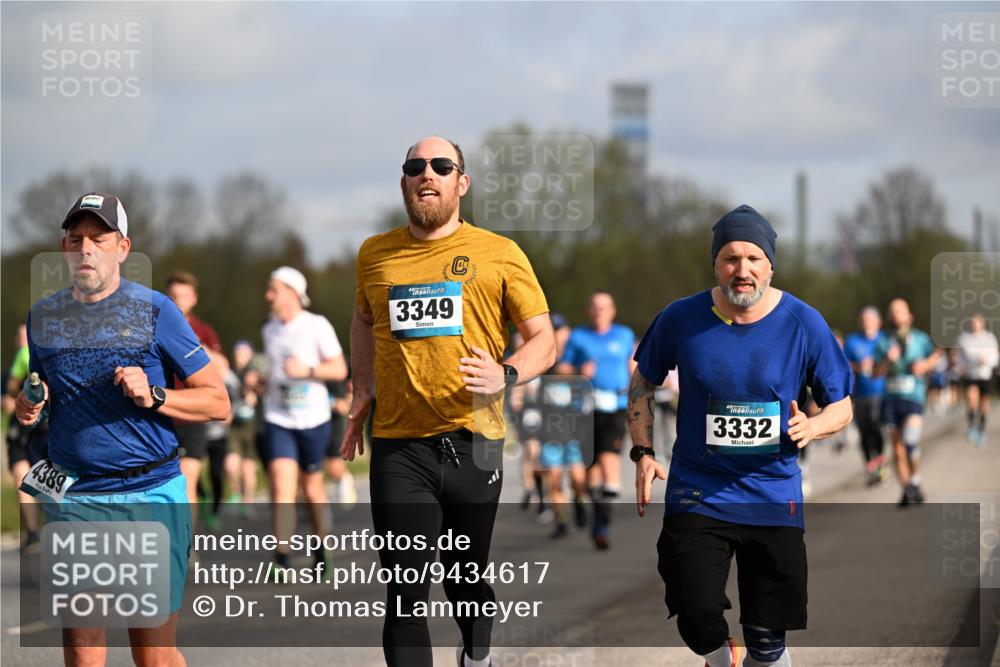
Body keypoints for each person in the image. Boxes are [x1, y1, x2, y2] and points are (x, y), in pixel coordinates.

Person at [342, 135, 555, 667]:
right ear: (404, 183)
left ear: (462, 183)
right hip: (399, 443)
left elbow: (544, 341)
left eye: (441, 166)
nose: (427, 174)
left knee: (466, 580)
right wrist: (361, 390)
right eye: (416, 166)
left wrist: (506, 372)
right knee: (405, 592)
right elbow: (364, 319)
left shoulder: (499, 253)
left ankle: (476, 656)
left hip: (476, 441)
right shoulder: (375, 254)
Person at [629, 205, 852, 667]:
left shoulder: (804, 323)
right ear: (716, 263)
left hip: (772, 492)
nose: (743, 270)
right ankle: (719, 656)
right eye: (731, 258)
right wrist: (644, 450)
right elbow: (641, 381)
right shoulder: (680, 318)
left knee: (767, 643)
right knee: (696, 616)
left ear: (771, 264)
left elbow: (843, 405)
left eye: (754, 258)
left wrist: (813, 425)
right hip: (698, 489)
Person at [15, 192, 229, 667]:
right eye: (76, 239)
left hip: (148, 493)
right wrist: (31, 406)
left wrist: (155, 395)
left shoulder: (156, 312)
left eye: (99, 238)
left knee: (153, 656)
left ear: (123, 248)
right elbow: (41, 393)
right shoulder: (43, 319)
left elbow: (219, 400)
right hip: (77, 499)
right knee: (84, 651)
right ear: (64, 248)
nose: (86, 248)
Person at [261, 265, 348, 573]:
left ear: (292, 293)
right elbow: (273, 374)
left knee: (312, 488)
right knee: (282, 485)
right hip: (278, 417)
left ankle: (322, 549)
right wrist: (259, 383)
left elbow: (339, 369)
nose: (267, 294)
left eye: (273, 289)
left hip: (313, 418)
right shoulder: (269, 329)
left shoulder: (316, 325)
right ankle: (282, 558)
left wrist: (307, 371)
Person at [556, 290, 635, 550]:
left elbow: (632, 366)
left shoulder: (623, 335)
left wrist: (640, 389)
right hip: (585, 407)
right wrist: (579, 371)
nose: (599, 311)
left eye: (604, 307)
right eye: (594, 307)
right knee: (589, 473)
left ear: (612, 311)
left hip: (615, 404)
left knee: (608, 454)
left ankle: (606, 508)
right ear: (589, 311)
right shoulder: (578, 336)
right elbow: (561, 369)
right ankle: (591, 504)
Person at [164, 270, 228, 529]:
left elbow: (223, 367)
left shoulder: (202, 330)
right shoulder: (152, 326)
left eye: (182, 296)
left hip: (192, 415)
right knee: (162, 488)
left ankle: (185, 546)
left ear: (193, 299)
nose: (177, 301)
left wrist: (198, 348)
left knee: (186, 482)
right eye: (172, 296)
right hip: (161, 415)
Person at [874, 298, 941, 506]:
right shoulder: (883, 341)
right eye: (892, 312)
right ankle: (907, 489)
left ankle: (915, 480)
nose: (896, 315)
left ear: (909, 316)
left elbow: (937, 355)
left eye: (900, 311)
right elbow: (876, 373)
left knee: (910, 441)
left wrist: (924, 365)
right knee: (897, 449)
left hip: (913, 397)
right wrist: (887, 360)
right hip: (890, 400)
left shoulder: (920, 339)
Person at [4, 323, 49, 548]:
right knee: (35, 480)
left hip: (29, 427)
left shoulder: (24, 355)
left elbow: (12, 387)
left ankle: (33, 534)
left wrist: (12, 396)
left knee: (29, 481)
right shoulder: (50, 351)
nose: (22, 340)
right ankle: (36, 532)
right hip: (42, 428)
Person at [844, 306, 888, 485]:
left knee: (876, 427)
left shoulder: (884, 340)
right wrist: (858, 366)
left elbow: (894, 362)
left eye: (870, 319)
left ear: (878, 322)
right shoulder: (853, 341)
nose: (867, 322)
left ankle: (880, 459)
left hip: (881, 392)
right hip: (860, 393)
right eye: (864, 319)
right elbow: (844, 361)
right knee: (864, 430)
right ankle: (870, 465)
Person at [226, 340, 263, 514]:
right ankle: (236, 490)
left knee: (248, 466)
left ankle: (248, 502)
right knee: (231, 463)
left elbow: (265, 389)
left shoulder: (255, 371)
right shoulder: (231, 373)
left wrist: (254, 388)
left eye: (242, 352)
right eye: (237, 352)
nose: (239, 355)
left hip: (253, 424)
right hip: (235, 424)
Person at [956, 313, 999, 447]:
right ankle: (971, 426)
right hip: (971, 375)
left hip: (984, 374)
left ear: (982, 324)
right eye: (972, 322)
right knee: (971, 399)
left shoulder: (989, 338)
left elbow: (995, 356)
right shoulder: (964, 338)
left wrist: (988, 361)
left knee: (984, 403)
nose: (974, 325)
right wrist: (960, 367)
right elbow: (960, 356)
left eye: (977, 322)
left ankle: (982, 428)